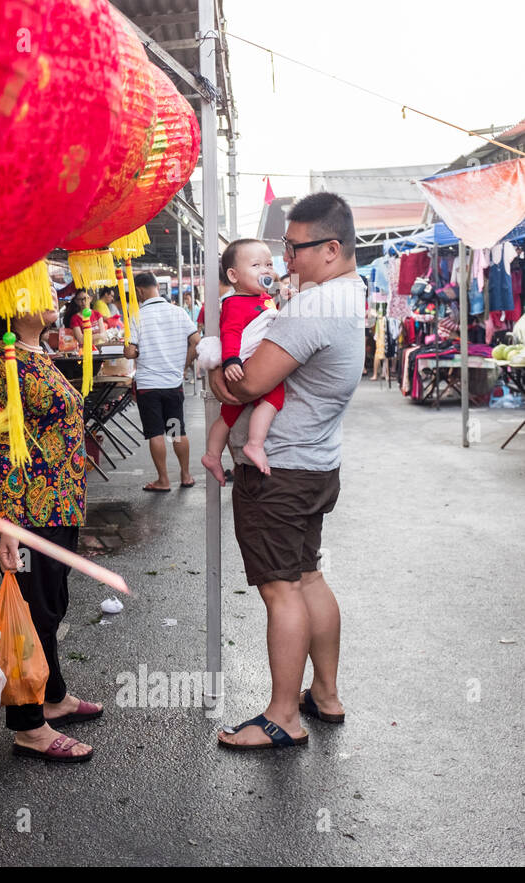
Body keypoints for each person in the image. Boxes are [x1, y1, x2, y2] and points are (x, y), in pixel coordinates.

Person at [207, 192, 365, 750]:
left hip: (282, 470)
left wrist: (210, 367)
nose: (285, 260)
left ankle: (282, 717)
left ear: (330, 248)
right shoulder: (351, 295)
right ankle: (324, 695)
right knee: (308, 576)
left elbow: (245, 382)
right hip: (317, 465)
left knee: (281, 590)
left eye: (293, 248)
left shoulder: (312, 308)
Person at [0, 291, 100, 763]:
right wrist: (7, 524)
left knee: (50, 607)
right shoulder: (0, 363)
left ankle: (54, 696)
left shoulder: (34, 353)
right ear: (10, 305)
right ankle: (29, 728)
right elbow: (2, 446)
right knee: (32, 616)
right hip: (28, 514)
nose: (52, 298)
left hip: (59, 506)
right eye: (39, 290)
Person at [200, 239, 282, 483]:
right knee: (274, 398)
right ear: (233, 275)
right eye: (256, 265)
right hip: (242, 364)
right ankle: (255, 444)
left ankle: (212, 455)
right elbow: (231, 334)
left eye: (268, 264)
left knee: (227, 415)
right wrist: (231, 361)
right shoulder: (235, 302)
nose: (266, 270)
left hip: (247, 364)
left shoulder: (265, 298)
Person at [124, 271, 200, 492]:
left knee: (156, 433)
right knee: (177, 430)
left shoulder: (136, 316)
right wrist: (183, 366)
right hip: (173, 384)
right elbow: (196, 342)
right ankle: (186, 475)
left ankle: (163, 480)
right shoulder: (178, 312)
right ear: (156, 285)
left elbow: (130, 352)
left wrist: (130, 350)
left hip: (149, 386)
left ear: (139, 291)